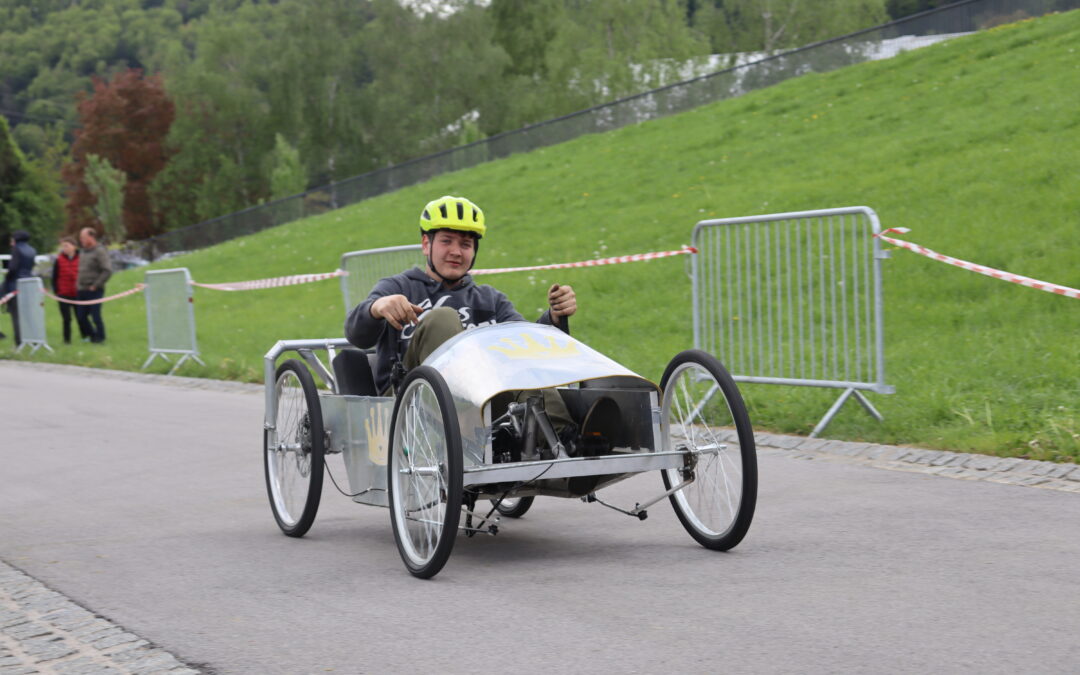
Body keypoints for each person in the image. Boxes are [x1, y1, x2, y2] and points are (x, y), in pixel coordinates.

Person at [344, 195, 577, 429]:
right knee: (442, 318)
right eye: (447, 241)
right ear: (426, 244)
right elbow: (356, 335)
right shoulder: (398, 288)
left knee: (520, 361)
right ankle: (464, 423)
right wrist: (377, 308)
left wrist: (554, 317)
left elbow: (525, 342)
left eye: (465, 245)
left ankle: (568, 438)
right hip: (408, 405)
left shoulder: (490, 300)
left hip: (484, 401)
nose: (456, 251)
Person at [75, 227, 112, 344]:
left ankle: (100, 338)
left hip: (94, 289)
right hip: (82, 289)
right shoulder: (82, 252)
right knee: (81, 316)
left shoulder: (99, 251)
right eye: (81, 238)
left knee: (95, 316)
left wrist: (96, 285)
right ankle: (92, 335)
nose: (81, 240)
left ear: (91, 237)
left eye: (84, 238)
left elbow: (107, 270)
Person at [2, 230, 37, 346]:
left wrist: (6, 281)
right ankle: (35, 339)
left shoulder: (17, 249)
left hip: (15, 286)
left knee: (16, 316)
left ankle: (19, 342)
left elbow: (13, 268)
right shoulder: (32, 250)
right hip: (28, 285)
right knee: (28, 315)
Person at [51, 236, 86, 345]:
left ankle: (85, 337)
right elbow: (55, 276)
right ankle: (67, 340)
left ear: (74, 246)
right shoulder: (59, 260)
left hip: (77, 292)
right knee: (66, 318)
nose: (64, 248)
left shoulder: (82, 258)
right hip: (63, 293)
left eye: (66, 246)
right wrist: (56, 291)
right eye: (63, 246)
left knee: (80, 317)